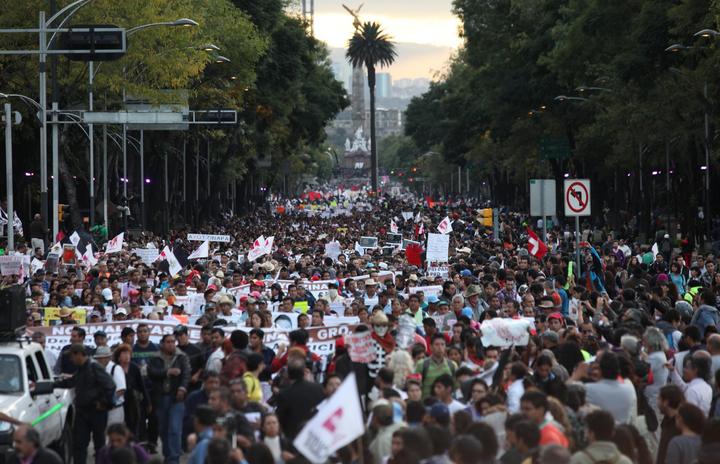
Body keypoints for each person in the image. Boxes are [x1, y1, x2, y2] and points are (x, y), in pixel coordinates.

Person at [53, 344, 116, 464]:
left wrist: (104, 403)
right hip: (82, 412)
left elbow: (110, 385)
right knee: (79, 444)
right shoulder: (81, 369)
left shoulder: (94, 367)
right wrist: (52, 385)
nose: (71, 359)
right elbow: (71, 382)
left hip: (96, 411)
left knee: (99, 445)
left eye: (72, 356)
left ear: (79, 354)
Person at [147, 334, 191, 464]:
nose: (171, 344)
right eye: (168, 342)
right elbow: (151, 373)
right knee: (163, 429)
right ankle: (168, 455)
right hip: (160, 397)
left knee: (175, 429)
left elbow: (186, 374)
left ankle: (174, 458)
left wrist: (182, 388)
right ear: (162, 344)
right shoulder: (155, 357)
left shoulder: (181, 356)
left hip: (176, 398)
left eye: (173, 341)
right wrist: (167, 372)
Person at [275, 355, 325, 439]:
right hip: (315, 435)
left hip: (293, 436)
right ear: (303, 372)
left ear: (288, 374)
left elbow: (280, 418)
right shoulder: (318, 388)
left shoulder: (285, 393)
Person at [415, 333, 456, 398]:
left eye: (442, 344)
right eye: (437, 344)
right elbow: (416, 386)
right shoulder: (422, 365)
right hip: (427, 402)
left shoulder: (452, 365)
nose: (440, 347)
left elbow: (455, 386)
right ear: (431, 347)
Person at [94, 346, 127, 426]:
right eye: (97, 358)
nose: (99, 360)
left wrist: (109, 402)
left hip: (115, 409)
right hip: (100, 410)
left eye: (101, 358)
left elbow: (121, 389)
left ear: (108, 358)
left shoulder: (116, 368)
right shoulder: (96, 369)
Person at [657, 384, 683, 464]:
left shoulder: (679, 426)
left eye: (659, 399)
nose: (657, 403)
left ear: (666, 402)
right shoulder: (666, 420)